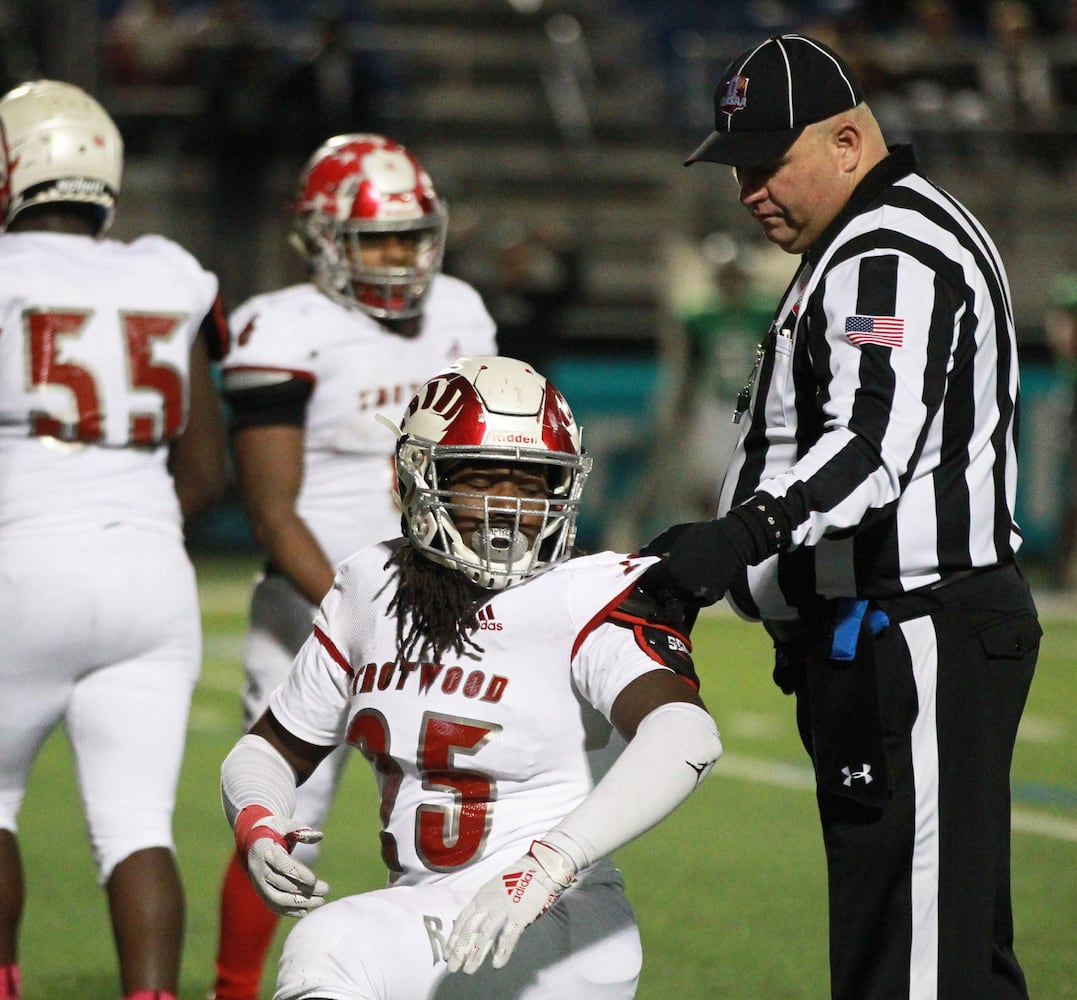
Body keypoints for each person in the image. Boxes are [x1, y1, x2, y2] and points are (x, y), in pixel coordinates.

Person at [641, 34, 1041, 1000]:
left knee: (910, 969)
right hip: (884, 633)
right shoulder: (867, 237)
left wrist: (735, 543)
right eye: (738, 166)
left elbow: (868, 451)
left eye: (769, 162)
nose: (748, 191)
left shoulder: (885, 247)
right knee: (937, 955)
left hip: (917, 628)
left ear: (850, 141)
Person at [218, 354, 721, 999]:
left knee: (335, 949)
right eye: (481, 479)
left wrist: (547, 866)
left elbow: (685, 738)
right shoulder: (373, 586)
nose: (507, 507)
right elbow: (270, 747)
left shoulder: (586, 594)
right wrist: (260, 822)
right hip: (438, 920)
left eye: (533, 483)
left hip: (557, 917)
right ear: (416, 476)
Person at [209, 133, 498, 1000]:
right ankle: (233, 991)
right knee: (284, 824)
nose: (401, 258)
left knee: (448, 816)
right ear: (323, 239)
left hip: (440, 604)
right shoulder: (283, 326)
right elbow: (271, 510)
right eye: (377, 239)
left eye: (412, 236)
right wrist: (360, 611)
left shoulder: (460, 311)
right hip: (314, 609)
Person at [0, 80, 227, 1000]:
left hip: (23, 559)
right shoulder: (166, 272)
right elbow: (207, 468)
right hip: (150, 572)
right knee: (137, 825)